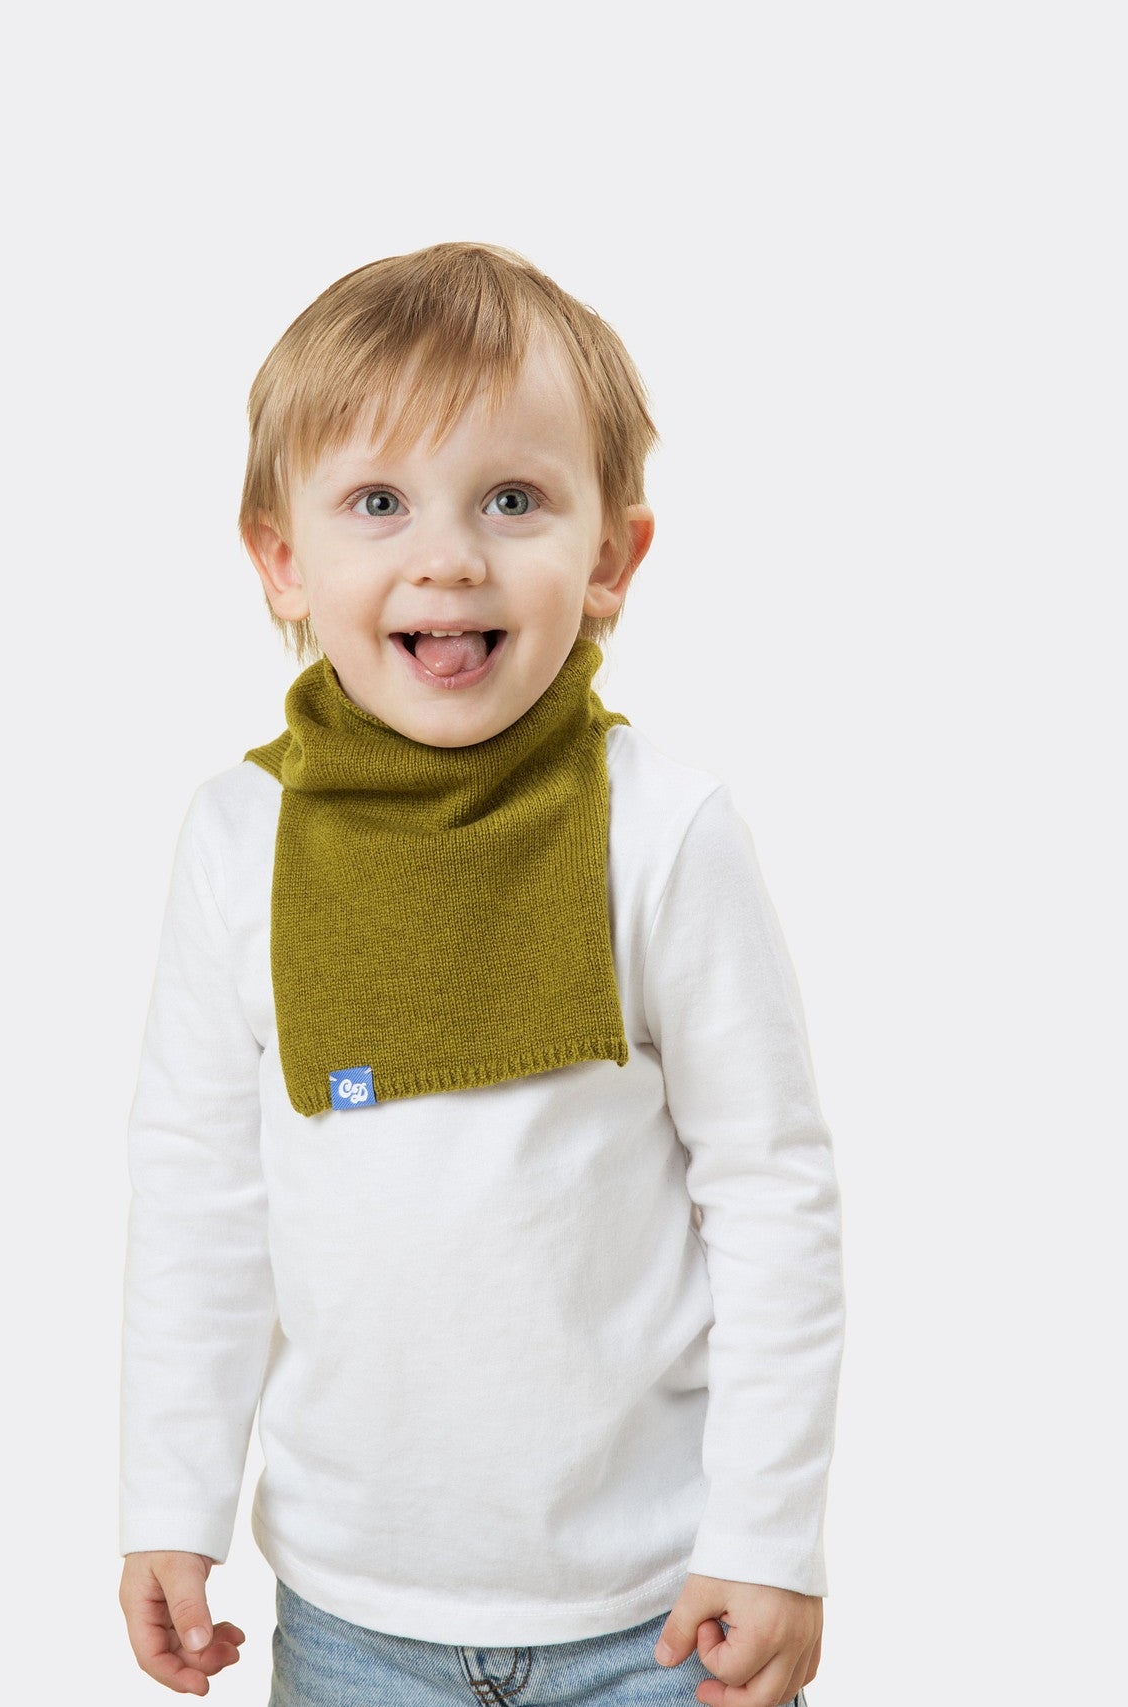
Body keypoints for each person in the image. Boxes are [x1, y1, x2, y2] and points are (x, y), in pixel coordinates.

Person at [117, 241, 845, 1707]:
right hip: (350, 1618)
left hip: (657, 1616)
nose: (448, 557)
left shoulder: (663, 834)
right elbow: (200, 1202)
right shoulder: (239, 841)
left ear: (611, 559)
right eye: (377, 502)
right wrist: (168, 1506)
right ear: (280, 557)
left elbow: (770, 1195)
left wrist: (768, 1539)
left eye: (512, 500)